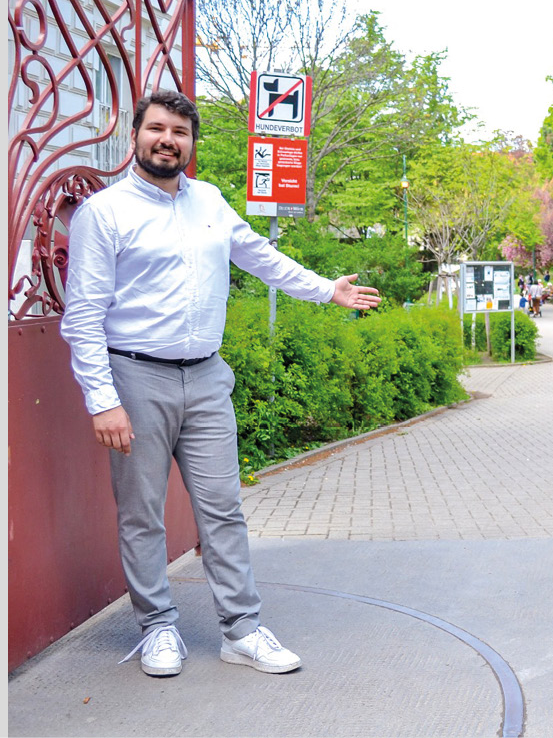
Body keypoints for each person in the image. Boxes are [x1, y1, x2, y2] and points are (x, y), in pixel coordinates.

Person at [59, 90, 383, 678]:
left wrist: (324, 289)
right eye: (157, 129)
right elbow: (82, 316)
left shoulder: (208, 200)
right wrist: (103, 401)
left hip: (207, 378)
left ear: (191, 143)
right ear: (135, 136)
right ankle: (158, 627)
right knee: (142, 514)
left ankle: (242, 630)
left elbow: (260, 256)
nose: (167, 140)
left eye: (180, 132)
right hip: (135, 377)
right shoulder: (104, 214)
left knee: (224, 510)